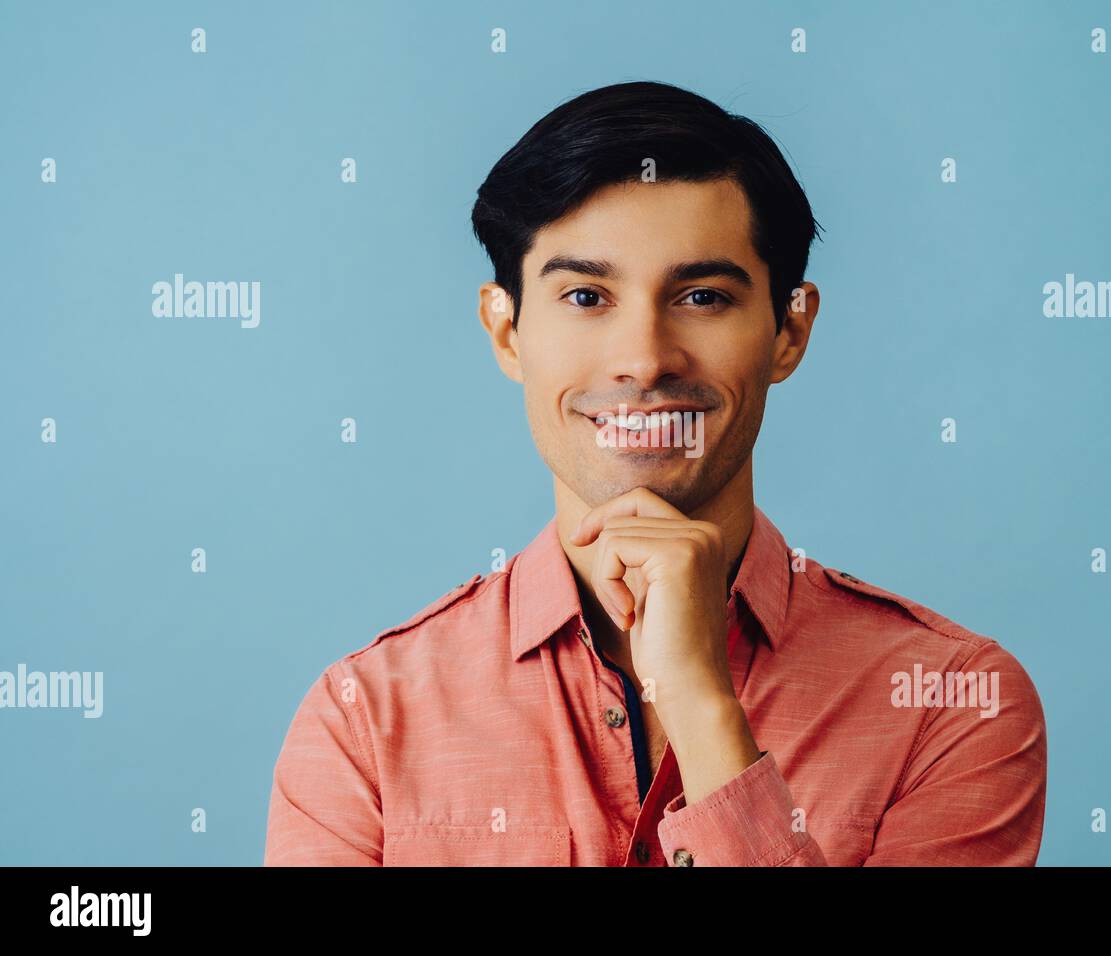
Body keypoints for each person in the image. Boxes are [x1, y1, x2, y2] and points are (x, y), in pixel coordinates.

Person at [264, 80, 1047, 867]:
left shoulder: (953, 701)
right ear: (505, 333)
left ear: (789, 332)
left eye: (702, 296)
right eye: (585, 295)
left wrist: (703, 710)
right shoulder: (364, 719)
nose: (644, 358)